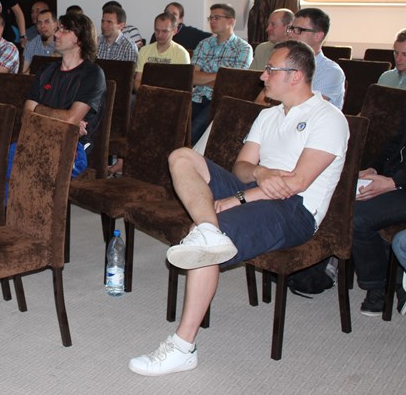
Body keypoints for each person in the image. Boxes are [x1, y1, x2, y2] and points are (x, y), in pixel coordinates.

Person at [129, 40, 348, 376]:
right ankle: (208, 230)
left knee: (205, 242)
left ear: (295, 76)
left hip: (295, 211)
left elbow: (297, 183)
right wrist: (260, 173)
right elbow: (242, 168)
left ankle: (183, 347)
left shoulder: (328, 118)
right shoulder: (268, 114)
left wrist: (237, 199)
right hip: (257, 189)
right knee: (182, 156)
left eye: (271, 70)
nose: (263, 76)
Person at [24, 12, 106, 175]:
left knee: (35, 166)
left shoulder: (92, 74)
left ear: (80, 39)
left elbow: (70, 119)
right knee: (6, 159)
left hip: (74, 145)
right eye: (58, 29)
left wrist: (38, 110)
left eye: (64, 30)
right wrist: (63, 118)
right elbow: (26, 115)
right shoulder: (46, 70)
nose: (56, 34)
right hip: (40, 137)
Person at [352, 103, 406, 315]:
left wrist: (394, 182)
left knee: (358, 218)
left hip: (400, 183)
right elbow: (397, 142)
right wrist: (375, 168)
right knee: (345, 201)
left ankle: (378, 287)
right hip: (396, 177)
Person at [190, 3, 252, 142]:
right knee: (176, 127)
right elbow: (192, 77)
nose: (212, 21)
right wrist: (221, 76)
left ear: (231, 21)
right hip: (197, 96)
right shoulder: (204, 44)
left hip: (220, 101)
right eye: (210, 18)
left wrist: (204, 77)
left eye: (216, 17)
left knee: (193, 132)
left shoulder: (243, 48)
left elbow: (233, 83)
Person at [134, 12, 191, 89]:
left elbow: (182, 86)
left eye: (164, 31)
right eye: (157, 30)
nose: (159, 35)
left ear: (174, 31)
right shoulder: (144, 50)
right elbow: (138, 80)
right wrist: (146, 94)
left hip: (171, 95)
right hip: (147, 94)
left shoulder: (181, 53)